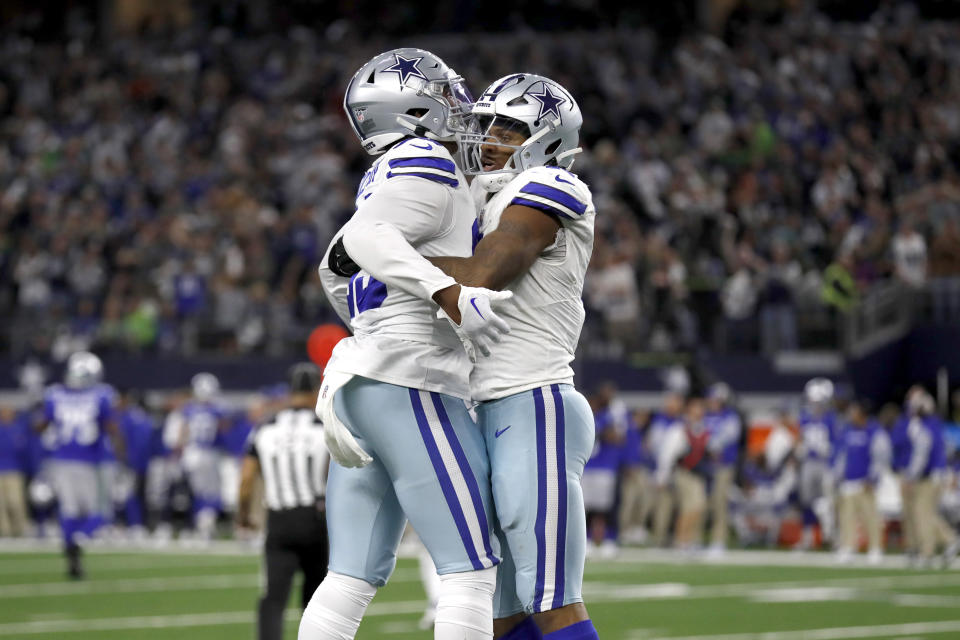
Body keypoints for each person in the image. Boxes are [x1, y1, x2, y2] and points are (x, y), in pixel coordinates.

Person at [300, 48, 510, 640]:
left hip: (365, 381)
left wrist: (375, 329)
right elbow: (365, 238)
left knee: (349, 578)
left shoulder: (389, 171)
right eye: (445, 95)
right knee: (470, 573)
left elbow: (334, 267)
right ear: (413, 108)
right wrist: (443, 292)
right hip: (414, 381)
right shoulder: (424, 158)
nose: (461, 108)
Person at [427, 73, 601, 639]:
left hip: (534, 401)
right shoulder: (475, 194)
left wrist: (386, 255)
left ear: (547, 139)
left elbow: (482, 276)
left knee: (551, 601)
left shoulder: (554, 185)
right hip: (480, 408)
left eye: (508, 126)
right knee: (500, 617)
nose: (490, 138)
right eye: (485, 124)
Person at [238, 363, 329, 640]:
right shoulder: (324, 423)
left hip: (278, 521)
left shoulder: (265, 426)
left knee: (273, 598)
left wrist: (243, 516)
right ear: (316, 390)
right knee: (317, 600)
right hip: (316, 519)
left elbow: (246, 482)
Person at [37, 351, 123, 578]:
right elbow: (111, 427)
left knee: (70, 511)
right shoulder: (102, 394)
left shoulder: (54, 394)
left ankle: (71, 553)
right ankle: (78, 541)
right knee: (102, 513)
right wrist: (122, 456)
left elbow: (42, 425)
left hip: (62, 459)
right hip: (93, 461)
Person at [164, 372, 229, 542]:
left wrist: (177, 453)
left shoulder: (189, 409)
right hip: (209, 453)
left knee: (197, 492)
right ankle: (205, 523)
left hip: (191, 454)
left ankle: (200, 524)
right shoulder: (217, 409)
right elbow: (223, 430)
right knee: (212, 492)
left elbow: (183, 433)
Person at [902, 387, 959, 567]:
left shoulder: (924, 426)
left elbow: (921, 454)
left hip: (929, 476)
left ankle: (928, 551)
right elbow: (948, 450)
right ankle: (949, 541)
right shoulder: (935, 424)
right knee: (928, 513)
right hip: (937, 473)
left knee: (923, 514)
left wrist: (911, 476)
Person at [833, 400, 888, 564]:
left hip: (865, 482)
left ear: (862, 413)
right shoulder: (847, 431)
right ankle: (848, 547)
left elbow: (881, 456)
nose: (851, 415)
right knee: (846, 517)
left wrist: (873, 477)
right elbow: (842, 456)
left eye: (854, 411)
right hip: (849, 481)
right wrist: (838, 475)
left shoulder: (873, 431)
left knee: (870, 517)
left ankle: (875, 548)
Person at [583, 382, 627, 558]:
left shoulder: (610, 415)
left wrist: (605, 429)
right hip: (587, 467)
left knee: (604, 508)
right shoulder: (585, 415)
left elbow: (618, 438)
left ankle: (608, 538)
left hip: (604, 467)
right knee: (586, 507)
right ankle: (587, 540)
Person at [795, 377, 839, 550]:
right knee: (806, 501)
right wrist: (800, 449)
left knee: (829, 501)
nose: (814, 404)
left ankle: (833, 537)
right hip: (809, 462)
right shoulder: (804, 417)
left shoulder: (831, 419)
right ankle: (807, 538)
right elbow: (800, 438)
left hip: (826, 463)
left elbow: (836, 443)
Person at [704, 382, 742, 555]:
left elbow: (728, 437)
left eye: (715, 399)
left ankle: (719, 540)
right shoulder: (706, 416)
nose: (712, 402)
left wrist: (712, 447)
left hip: (723, 466)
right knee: (704, 504)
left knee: (720, 503)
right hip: (705, 467)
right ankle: (697, 539)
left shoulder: (731, 417)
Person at [0, 405, 30, 537]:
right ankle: (4, 531)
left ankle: (20, 529)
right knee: (1, 504)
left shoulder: (19, 429)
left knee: (16, 502)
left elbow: (24, 450)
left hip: (14, 471)